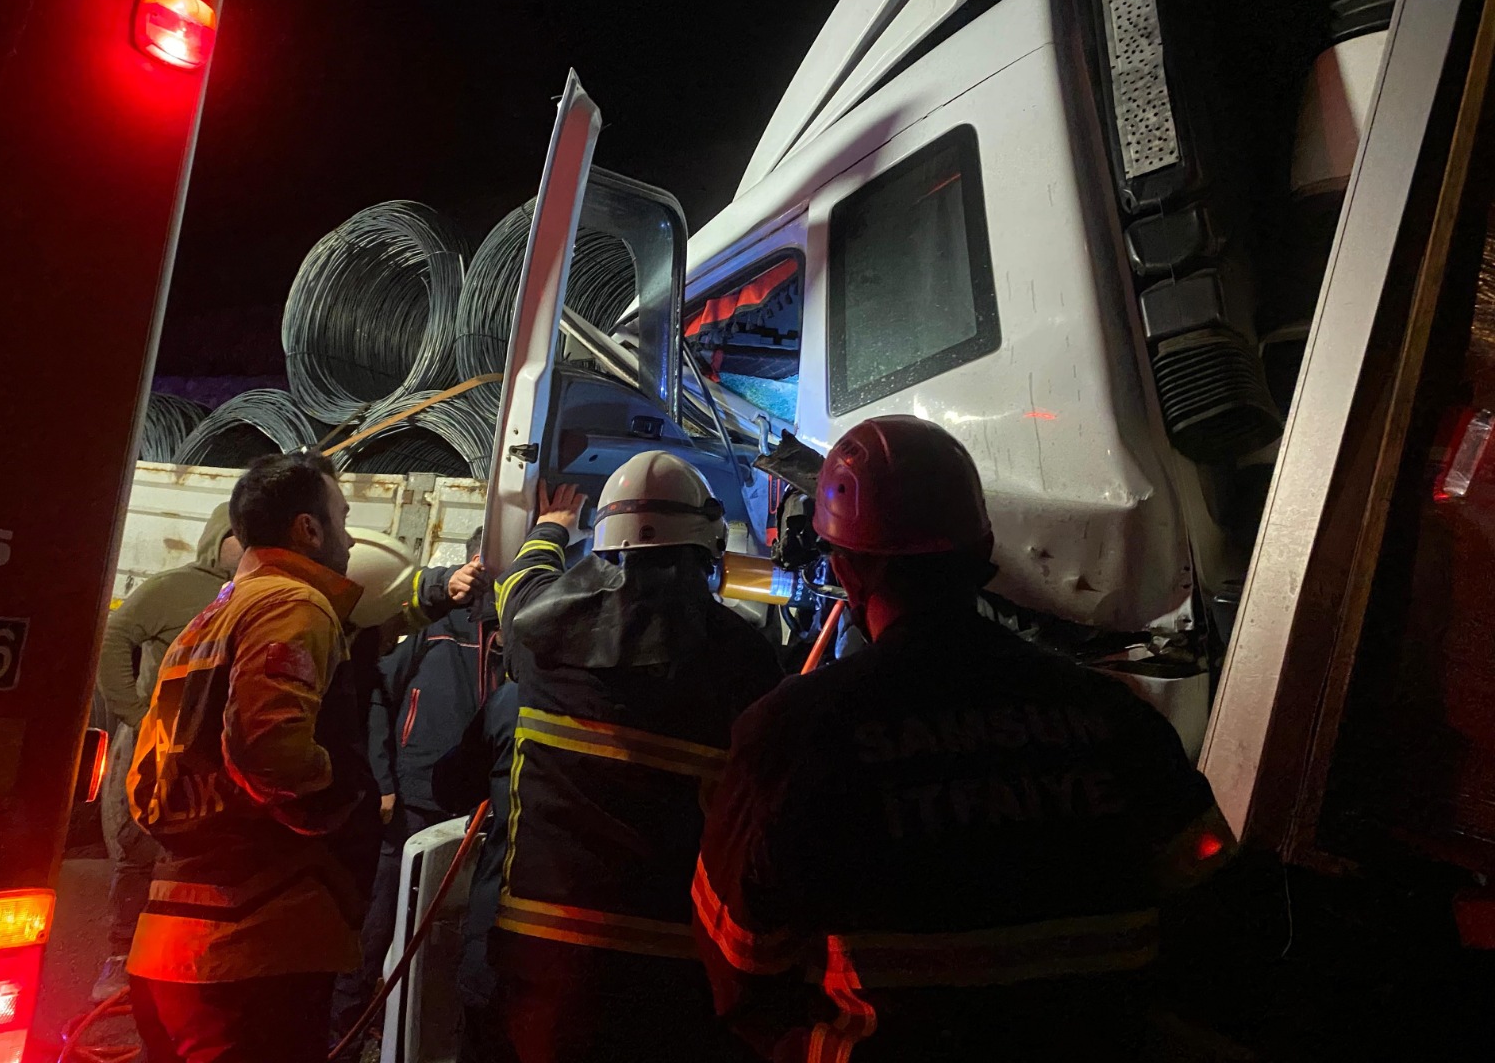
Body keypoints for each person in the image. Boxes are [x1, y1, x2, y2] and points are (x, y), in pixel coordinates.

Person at [694, 415, 1237, 1062]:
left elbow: (741, 965)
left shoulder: (791, 736)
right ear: (982, 551)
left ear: (845, 569)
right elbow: (1218, 915)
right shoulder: (1112, 716)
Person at [490, 454, 781, 1063]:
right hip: (672, 957)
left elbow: (519, 585)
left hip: (544, 947)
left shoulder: (536, 632)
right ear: (709, 547)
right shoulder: (746, 660)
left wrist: (549, 528)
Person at [125, 450, 377, 1063]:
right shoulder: (293, 604)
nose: (347, 539)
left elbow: (150, 776)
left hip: (172, 945)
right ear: (307, 528)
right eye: (340, 519)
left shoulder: (213, 613)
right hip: (255, 949)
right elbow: (271, 752)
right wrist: (341, 798)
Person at [330, 537, 490, 1058]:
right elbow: (378, 693)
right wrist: (384, 781)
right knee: (373, 927)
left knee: (455, 935)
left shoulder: (523, 627)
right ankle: (339, 1038)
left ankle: (424, 1038)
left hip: (478, 810)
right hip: (414, 802)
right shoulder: (435, 624)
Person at [91, 503, 242, 1002]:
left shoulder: (253, 596)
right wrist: (134, 713)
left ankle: (177, 964)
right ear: (219, 538)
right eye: (239, 536)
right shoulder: (173, 587)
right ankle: (118, 959)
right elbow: (114, 638)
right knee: (136, 849)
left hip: (207, 753)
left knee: (190, 859)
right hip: (152, 746)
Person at [433, 657, 521, 1063]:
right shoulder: (694, 704)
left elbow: (451, 786)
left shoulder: (515, 701)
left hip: (507, 947)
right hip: (644, 970)